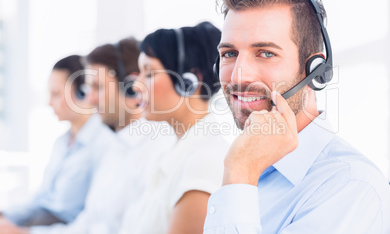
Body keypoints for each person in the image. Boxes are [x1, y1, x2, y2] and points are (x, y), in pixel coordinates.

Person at [203, 0, 390, 234]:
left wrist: (241, 174)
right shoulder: (254, 166)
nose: (239, 76)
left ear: (315, 70)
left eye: (266, 53)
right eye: (229, 54)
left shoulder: (351, 189)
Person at [25, 37, 176, 234]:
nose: (89, 98)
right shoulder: (113, 146)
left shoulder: (157, 150)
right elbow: (87, 223)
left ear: (131, 88)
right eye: (89, 88)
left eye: (98, 87)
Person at [118, 21, 230, 234]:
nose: (136, 85)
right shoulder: (171, 152)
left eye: (149, 74)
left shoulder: (203, 162)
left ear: (188, 82)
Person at [0, 55, 114, 233]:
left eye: (56, 94)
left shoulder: (104, 146)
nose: (49, 102)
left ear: (82, 93)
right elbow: (40, 201)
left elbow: (90, 222)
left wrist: (24, 232)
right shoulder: (61, 143)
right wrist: (5, 215)